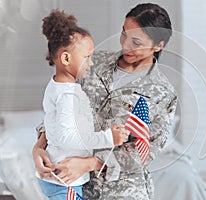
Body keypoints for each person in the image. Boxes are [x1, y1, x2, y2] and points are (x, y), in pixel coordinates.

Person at [32, 3, 178, 200]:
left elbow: (143, 153)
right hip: (72, 184)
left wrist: (90, 163)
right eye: (124, 34)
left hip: (123, 191)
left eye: (136, 42)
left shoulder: (163, 93)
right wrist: (39, 147)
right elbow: (60, 105)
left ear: (158, 45)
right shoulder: (90, 62)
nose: (125, 45)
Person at [36, 9, 127, 199]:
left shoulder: (60, 87)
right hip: (63, 181)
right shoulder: (67, 94)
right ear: (66, 58)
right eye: (87, 57)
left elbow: (54, 125)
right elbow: (67, 137)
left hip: (63, 179)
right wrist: (107, 138)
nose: (92, 63)